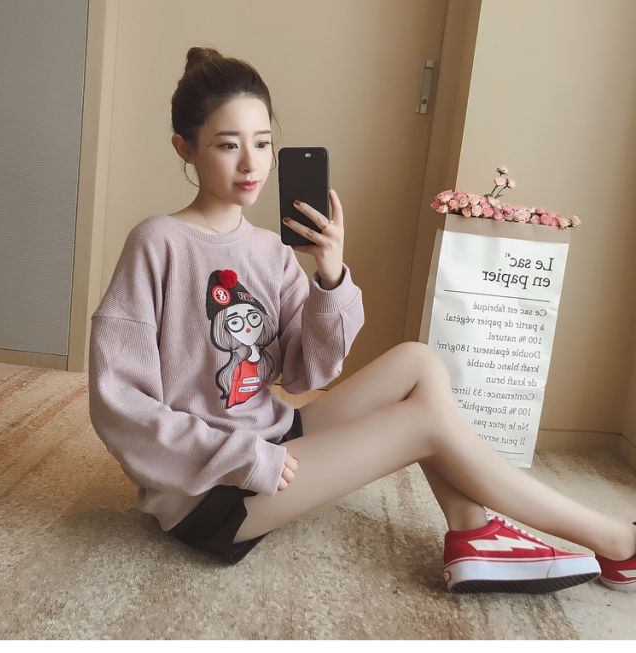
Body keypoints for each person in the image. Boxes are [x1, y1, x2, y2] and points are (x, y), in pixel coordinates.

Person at [88, 45, 636, 594]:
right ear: (185, 148)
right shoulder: (156, 243)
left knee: (419, 362)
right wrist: (241, 456)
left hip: (271, 438)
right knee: (423, 423)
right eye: (228, 145)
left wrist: (329, 277)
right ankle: (615, 541)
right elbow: (120, 404)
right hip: (210, 491)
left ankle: (473, 531)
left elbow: (306, 373)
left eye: (263, 143)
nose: (251, 164)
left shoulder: (271, 251)